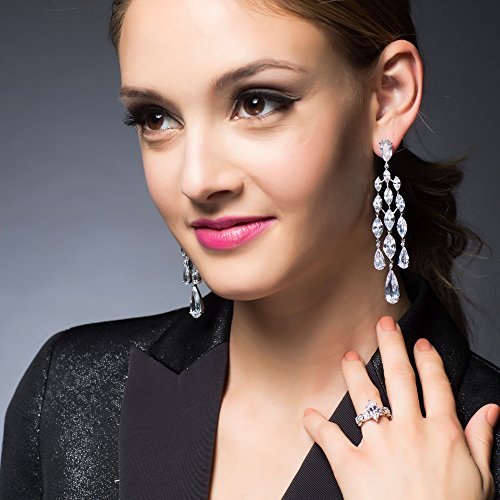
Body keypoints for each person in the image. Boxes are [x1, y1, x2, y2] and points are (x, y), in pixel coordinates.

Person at [1, 0, 500, 498]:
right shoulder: (69, 393)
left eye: (257, 103)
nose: (197, 180)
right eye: (157, 118)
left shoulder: (485, 436)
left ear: (387, 97)